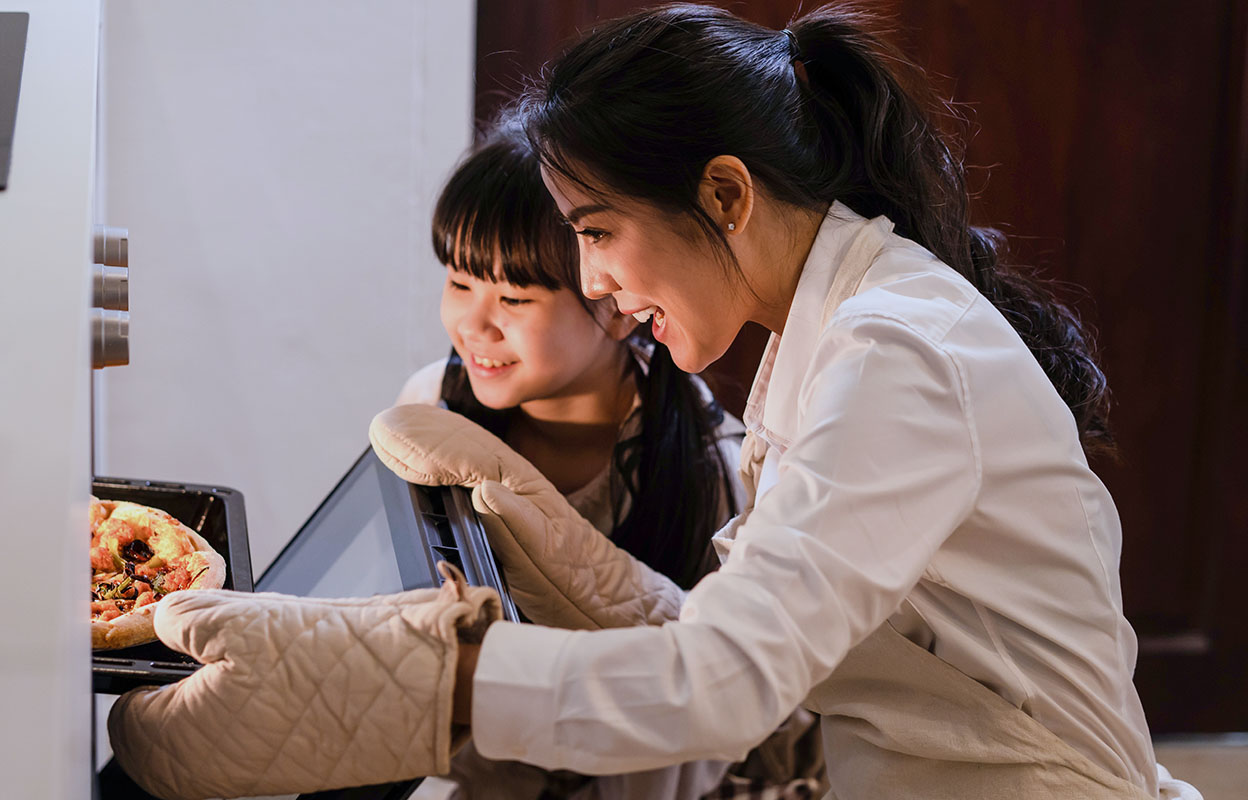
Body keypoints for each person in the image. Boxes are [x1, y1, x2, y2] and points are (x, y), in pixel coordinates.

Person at [108, 4, 1201, 799]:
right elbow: (751, 649)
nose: (593, 284)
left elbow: (721, 689)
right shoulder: (839, 333)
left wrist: (423, 679)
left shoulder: (895, 355)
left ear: (724, 193)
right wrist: (548, 542)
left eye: (592, 231)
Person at [396, 127, 824, 800]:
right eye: (459, 282)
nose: (475, 325)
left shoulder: (708, 468)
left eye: (514, 299)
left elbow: (707, 702)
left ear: (618, 304)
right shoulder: (434, 404)